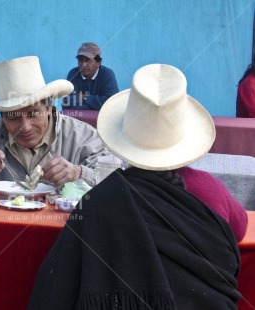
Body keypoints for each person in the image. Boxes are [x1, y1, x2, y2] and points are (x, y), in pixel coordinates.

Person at [28, 64, 248, 309]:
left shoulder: (101, 201)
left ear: (124, 139)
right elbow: (239, 230)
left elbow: (62, 282)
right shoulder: (212, 190)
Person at [0, 56, 113, 198]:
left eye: (33, 114)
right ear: (1, 115)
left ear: (49, 107)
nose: (25, 126)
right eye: (13, 117)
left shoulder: (81, 135)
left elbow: (118, 178)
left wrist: (78, 173)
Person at [62, 42, 119, 110]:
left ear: (98, 63)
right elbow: (67, 103)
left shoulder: (107, 74)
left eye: (88, 60)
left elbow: (112, 103)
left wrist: (84, 97)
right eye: (81, 60)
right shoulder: (73, 73)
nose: (83, 65)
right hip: (78, 119)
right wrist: (96, 105)